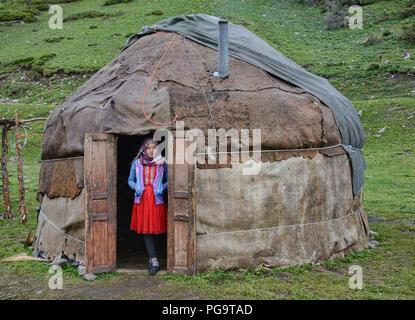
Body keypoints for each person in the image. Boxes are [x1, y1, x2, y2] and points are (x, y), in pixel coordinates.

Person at [128, 137, 168, 275]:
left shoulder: (162, 163)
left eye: (154, 148)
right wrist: (136, 186)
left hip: (156, 199)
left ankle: (153, 256)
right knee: (146, 230)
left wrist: (162, 187)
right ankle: (154, 259)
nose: (151, 151)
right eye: (149, 148)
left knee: (157, 230)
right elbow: (130, 180)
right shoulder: (137, 163)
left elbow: (169, 180)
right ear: (144, 149)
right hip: (142, 198)